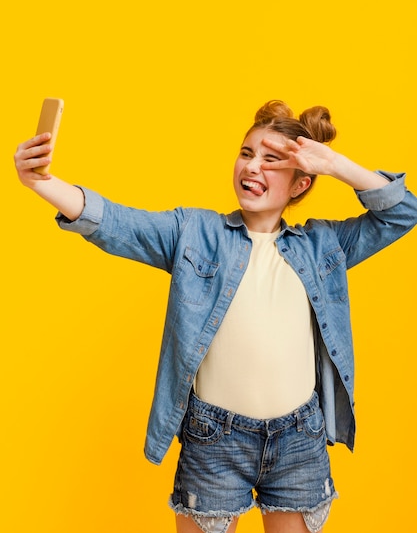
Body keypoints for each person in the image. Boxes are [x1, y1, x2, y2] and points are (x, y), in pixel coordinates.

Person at [14, 100, 417, 533]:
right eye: (246, 153)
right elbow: (117, 223)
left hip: (300, 438)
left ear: (301, 183)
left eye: (272, 159)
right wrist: (42, 182)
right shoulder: (193, 233)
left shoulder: (325, 246)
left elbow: (402, 212)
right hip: (214, 439)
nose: (252, 166)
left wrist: (334, 164)